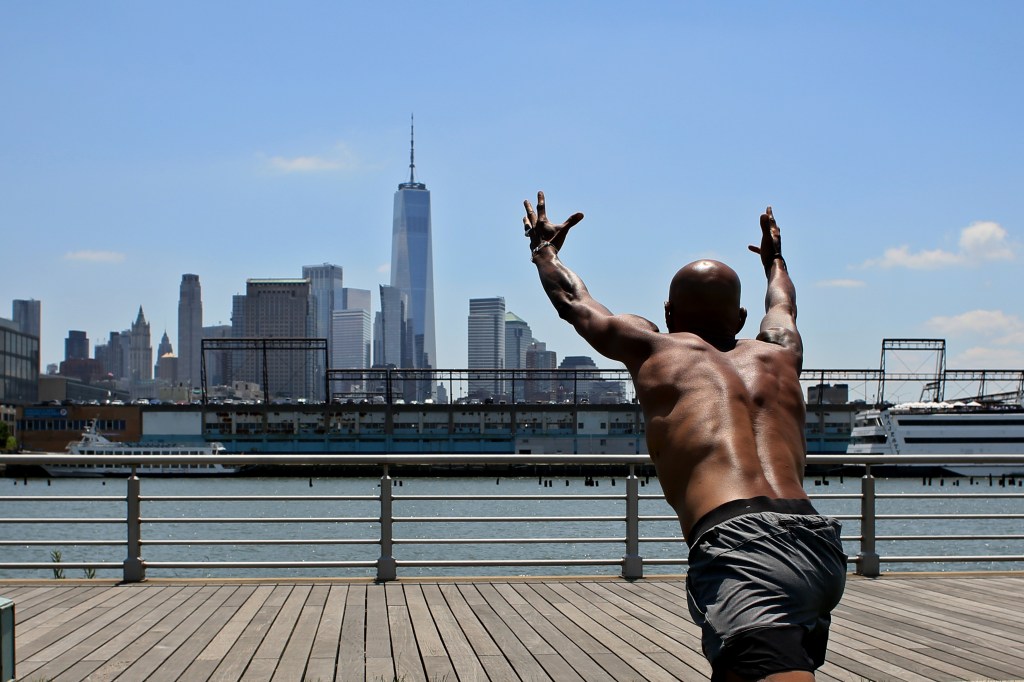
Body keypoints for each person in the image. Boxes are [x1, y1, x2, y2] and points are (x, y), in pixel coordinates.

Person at [523, 191, 847, 681]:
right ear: (740, 320)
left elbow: (575, 303)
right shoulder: (781, 354)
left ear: (668, 314)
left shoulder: (655, 349)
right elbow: (784, 304)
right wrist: (775, 257)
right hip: (817, 541)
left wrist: (544, 251)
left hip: (742, 543)